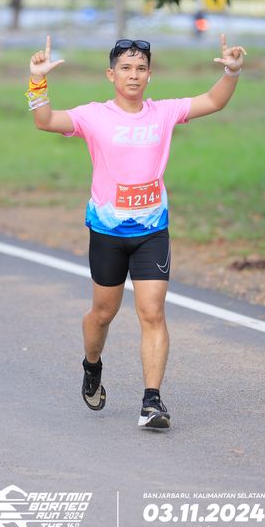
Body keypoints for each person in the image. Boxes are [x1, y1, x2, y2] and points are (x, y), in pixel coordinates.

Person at [27, 35, 246, 430]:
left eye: (141, 68)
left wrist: (232, 71)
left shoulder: (163, 113)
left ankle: (151, 401)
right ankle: (92, 365)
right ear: (111, 75)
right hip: (108, 233)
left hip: (152, 230)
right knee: (102, 314)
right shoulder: (94, 116)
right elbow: (45, 121)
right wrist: (38, 81)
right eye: (125, 68)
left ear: (149, 75)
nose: (133, 75)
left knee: (152, 312)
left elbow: (214, 101)